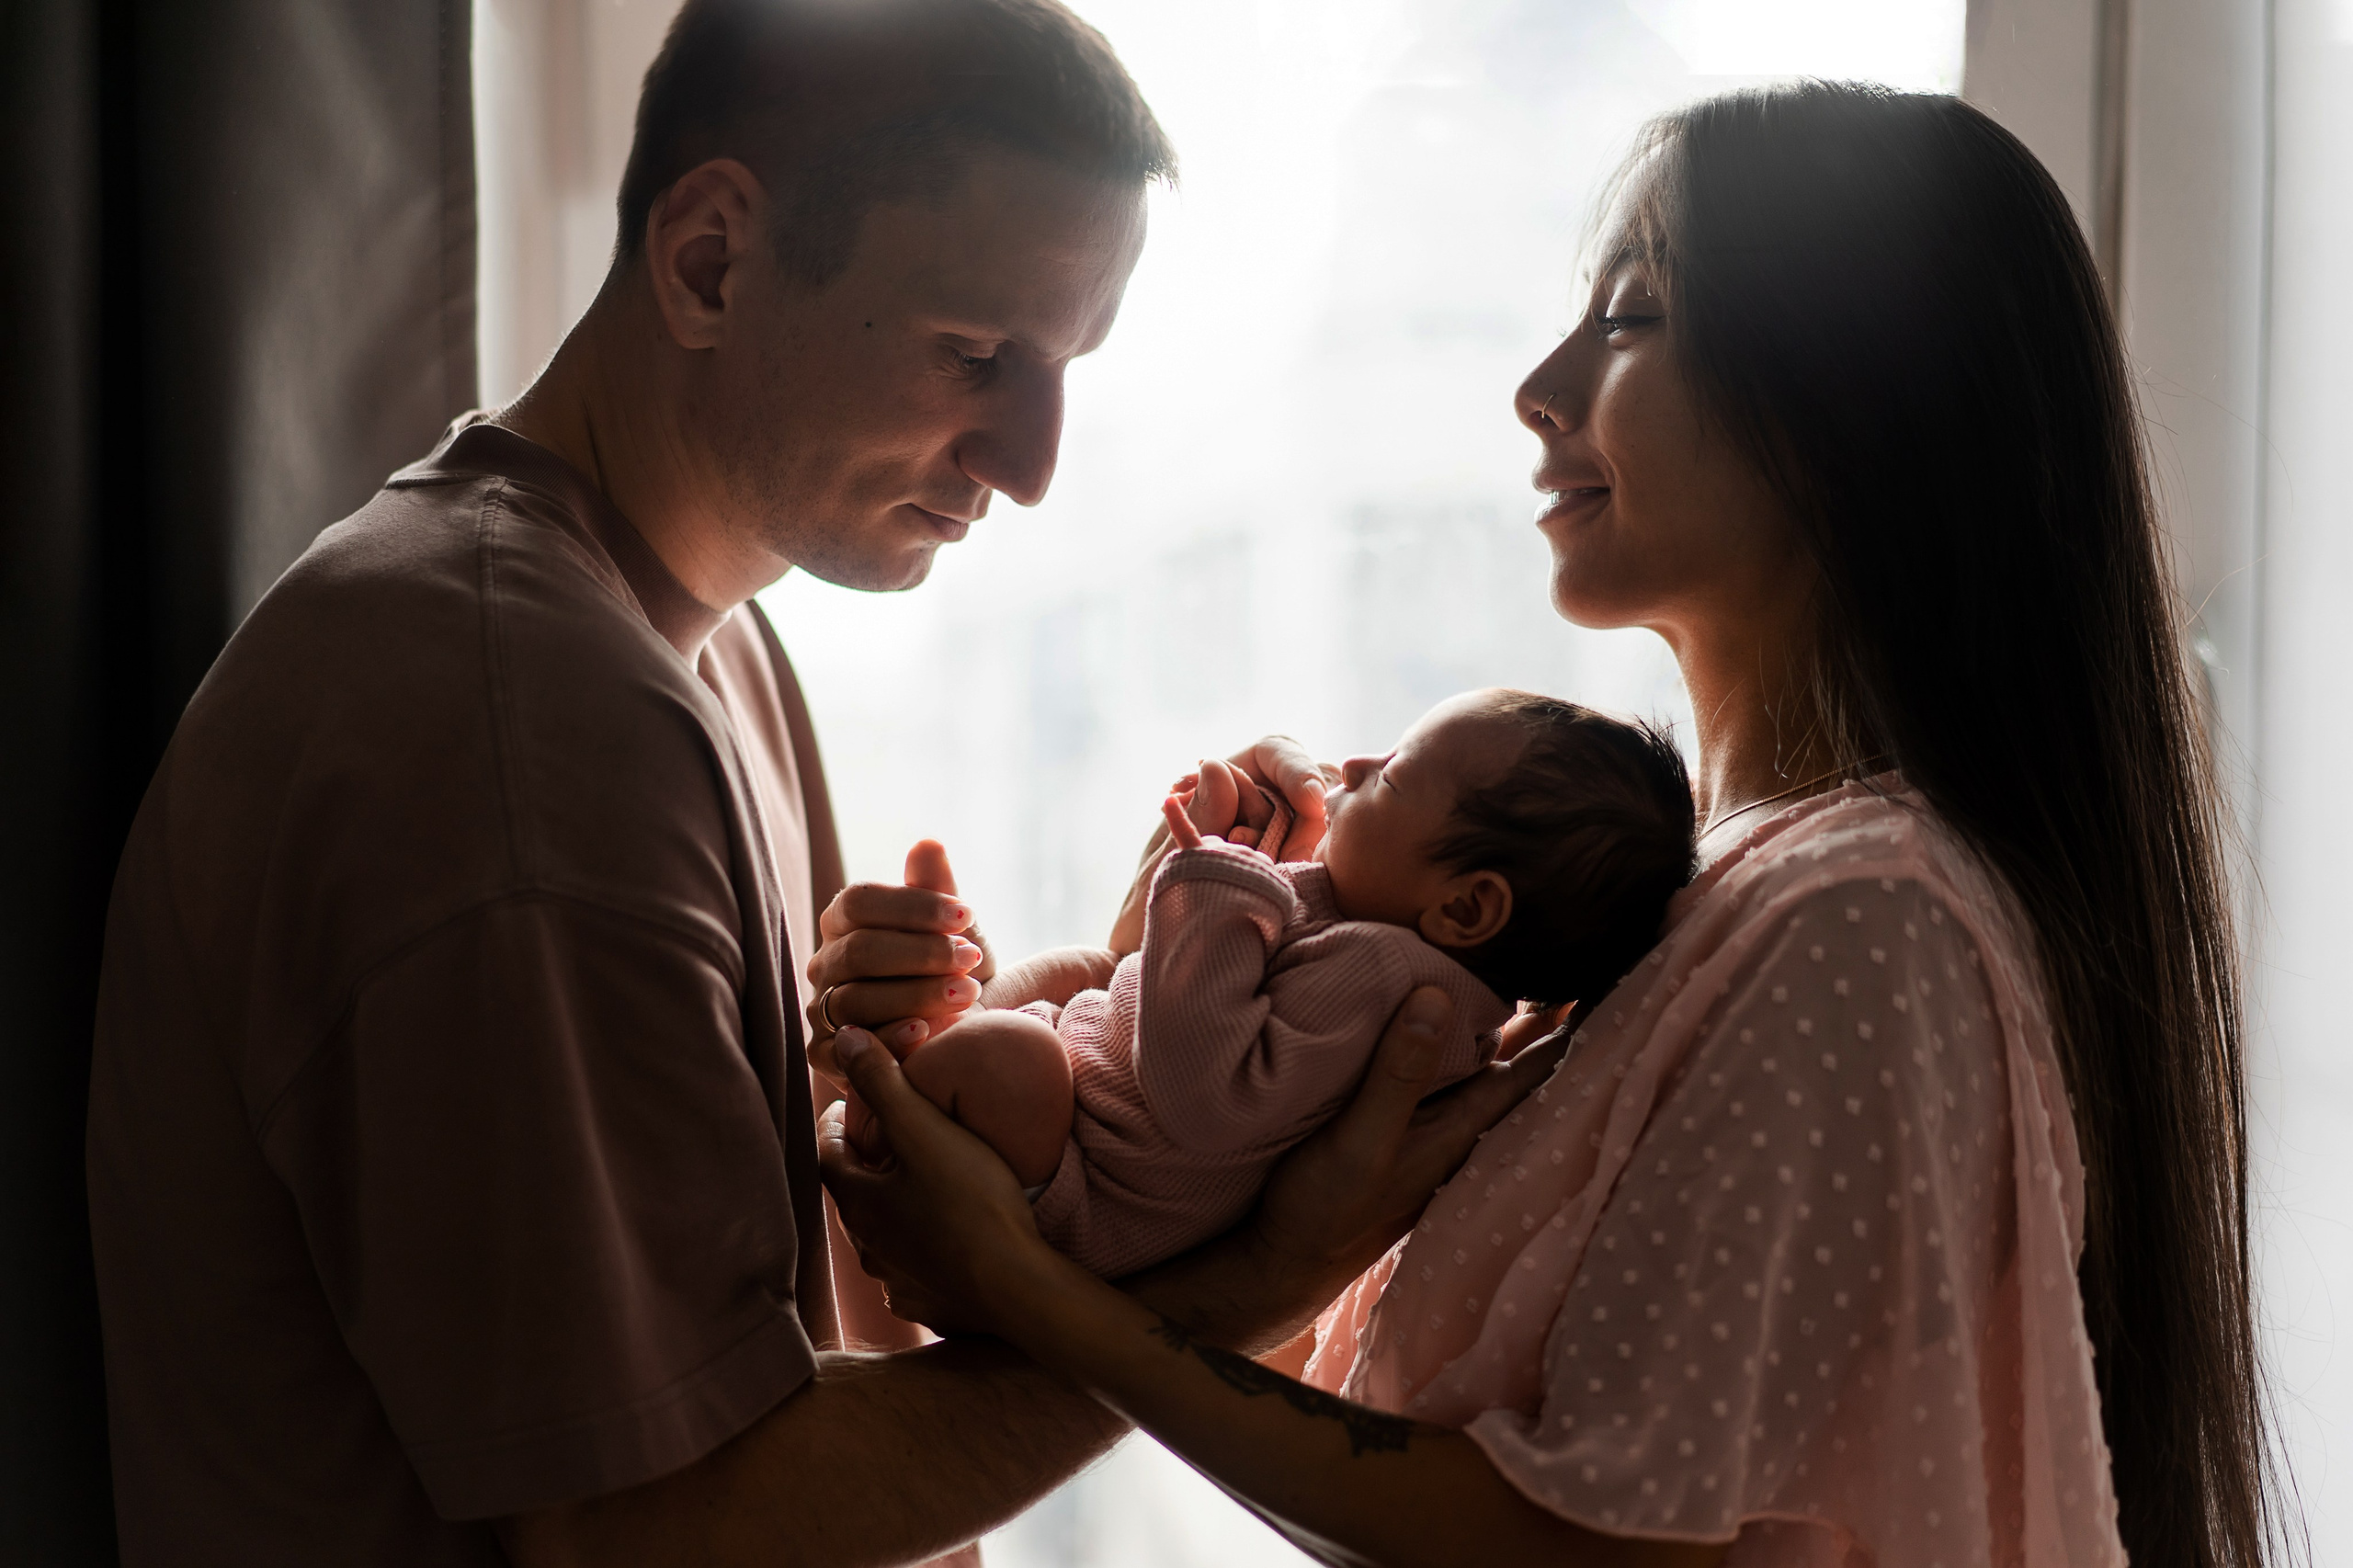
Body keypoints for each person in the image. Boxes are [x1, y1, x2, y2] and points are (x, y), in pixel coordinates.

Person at [84, 3, 1569, 1563]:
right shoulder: (517, 714)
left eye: (1065, 367)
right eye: (977, 354)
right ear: (712, 259)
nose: (1033, 462)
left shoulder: (700, 649)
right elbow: (659, 1528)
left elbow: (757, 1341)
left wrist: (1080, 1033)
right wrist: (1261, 1270)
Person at [815, 83, 2278, 1568]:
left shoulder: (1864, 919)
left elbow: (1575, 1537)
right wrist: (1116, 1005)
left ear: (1855, 398)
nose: (1540, 382)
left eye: (1633, 318)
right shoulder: (1708, 908)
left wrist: (1037, 1291)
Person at [846, 690, 1694, 1280]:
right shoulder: (1401, 952)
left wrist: (1214, 885)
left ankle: (905, 1097)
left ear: (1468, 907)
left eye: (1392, 774)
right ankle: (927, 1057)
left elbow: (1204, 1095)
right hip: (1085, 1122)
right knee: (1080, 973)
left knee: (1014, 1056)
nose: (1355, 762)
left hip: (1081, 1195)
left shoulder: (1389, 976)